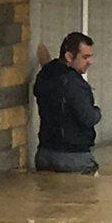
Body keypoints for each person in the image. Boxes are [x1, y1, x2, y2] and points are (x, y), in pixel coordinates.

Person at [33, 31, 101, 175]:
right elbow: (88, 118)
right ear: (69, 56)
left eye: (91, 56)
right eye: (85, 57)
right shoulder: (75, 84)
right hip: (74, 158)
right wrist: (97, 112)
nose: (90, 62)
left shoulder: (45, 75)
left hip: (44, 155)